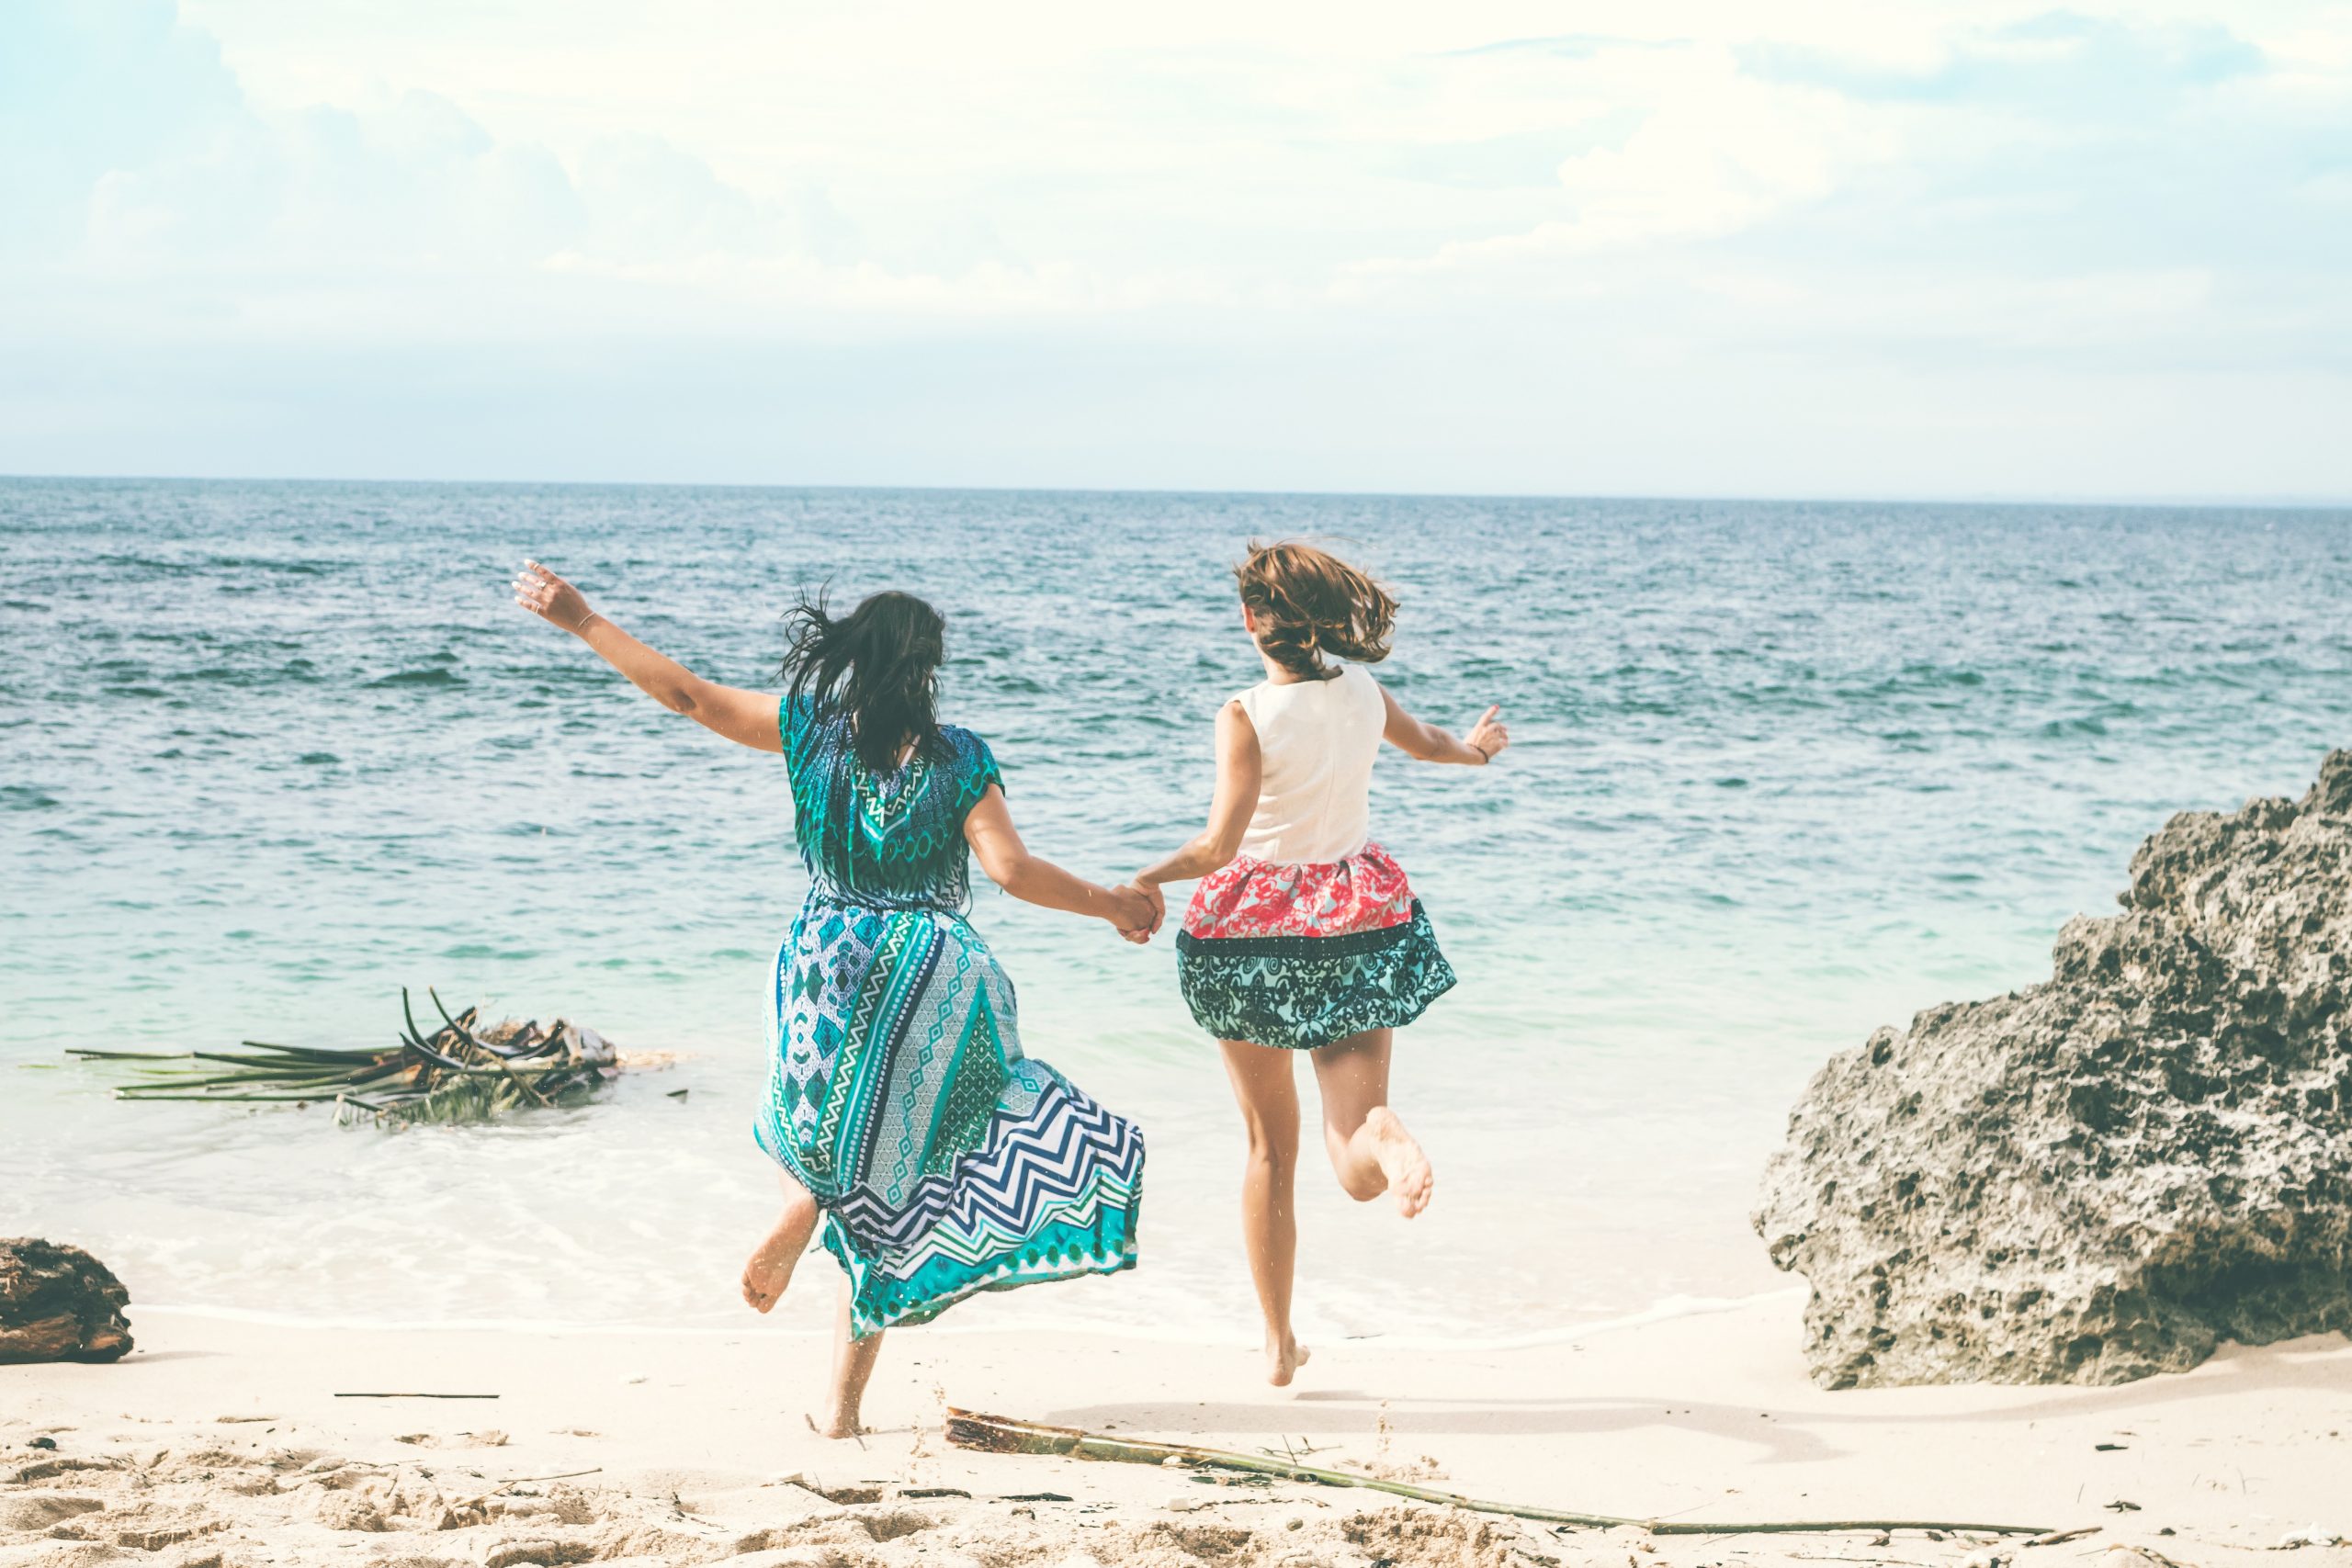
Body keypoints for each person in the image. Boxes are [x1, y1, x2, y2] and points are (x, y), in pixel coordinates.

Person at [512, 561, 1153, 1435]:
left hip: (829, 957)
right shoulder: (960, 756)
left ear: (853, 657)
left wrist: (584, 620)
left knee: (797, 1130)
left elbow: (689, 698)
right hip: (934, 967)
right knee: (897, 1188)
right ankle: (839, 1404)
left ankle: (800, 1198)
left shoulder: (811, 730)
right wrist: (1115, 903)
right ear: (927, 669)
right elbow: (1012, 871)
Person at [1128, 540, 1508, 1386]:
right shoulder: (1365, 692)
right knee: (1353, 1159)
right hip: (1356, 921)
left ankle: (1276, 1340)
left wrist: (1143, 880)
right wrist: (1479, 752)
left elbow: (1219, 844)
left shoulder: (1245, 714)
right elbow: (1434, 742)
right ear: (1326, 620)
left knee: (1270, 1146)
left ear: (1251, 621)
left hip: (1252, 937)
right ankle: (1381, 1130)